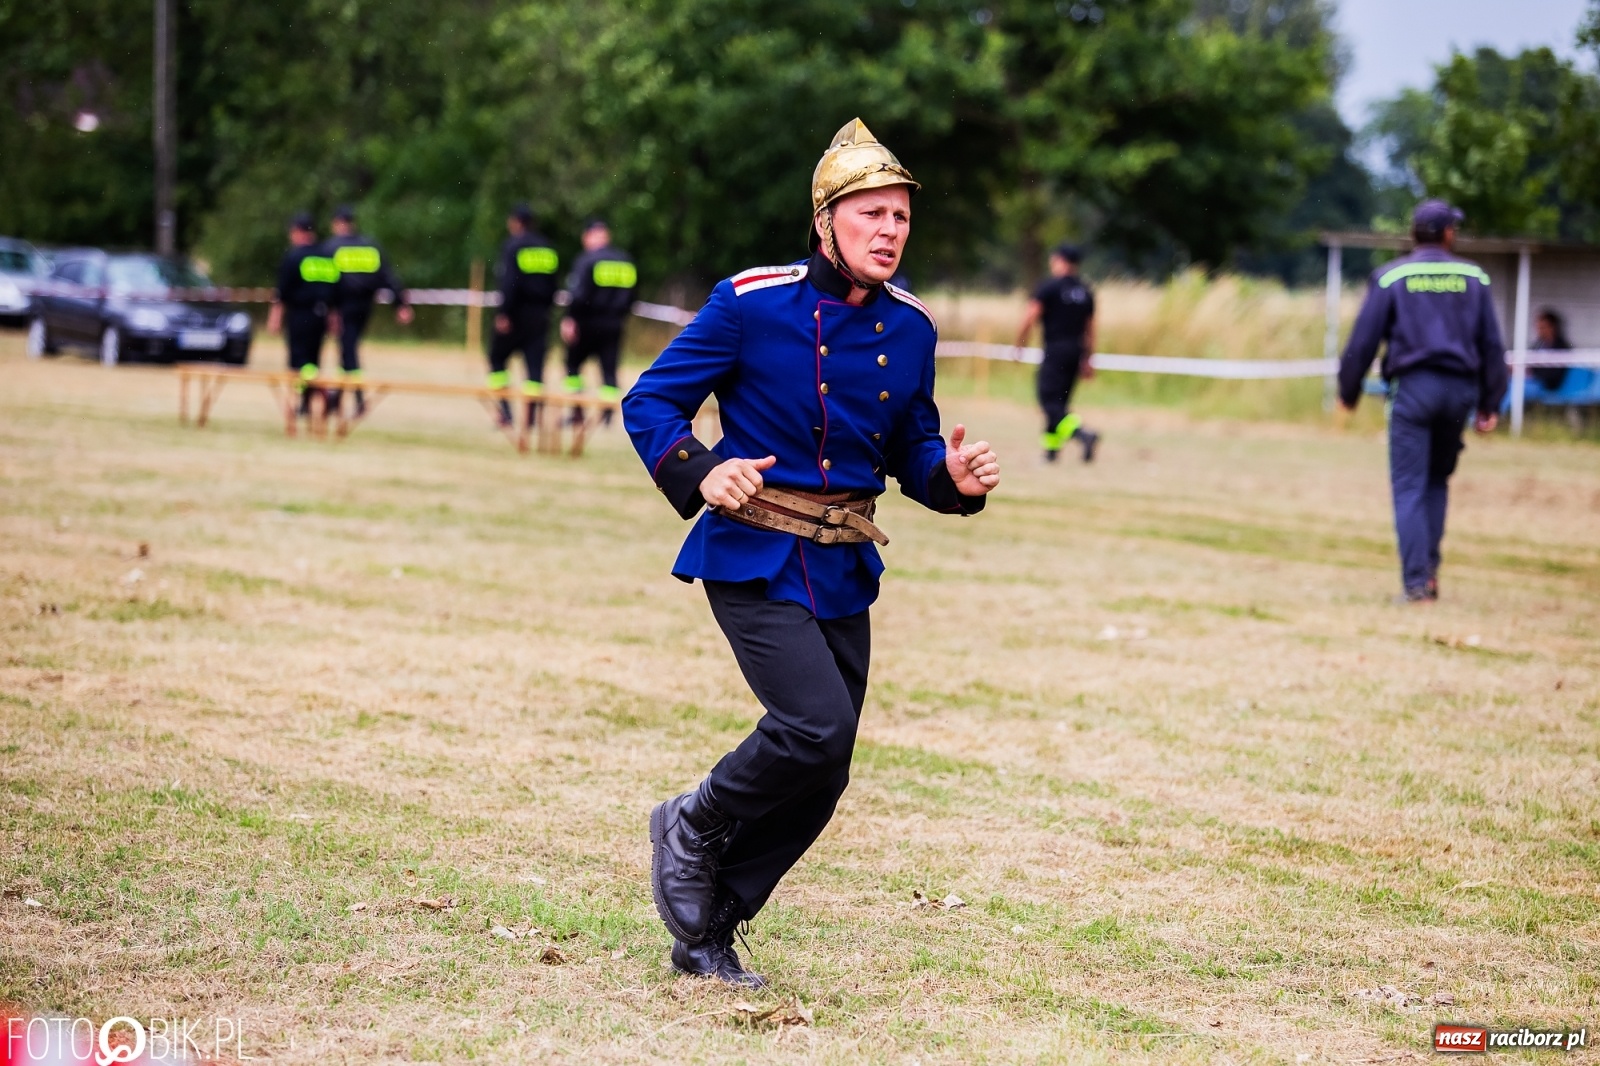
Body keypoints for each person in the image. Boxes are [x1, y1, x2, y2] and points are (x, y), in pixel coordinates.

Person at [622, 118, 1001, 987]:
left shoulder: (912, 329)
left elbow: (912, 449)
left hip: (842, 564)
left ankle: (710, 932)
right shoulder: (750, 303)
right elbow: (650, 401)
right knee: (814, 728)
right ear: (826, 222)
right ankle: (689, 820)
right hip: (750, 552)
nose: (890, 230)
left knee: (825, 769)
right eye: (871, 213)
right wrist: (703, 470)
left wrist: (952, 477)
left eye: (901, 216)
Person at [1338, 199, 1507, 603]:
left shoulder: (1392, 276)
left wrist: (1349, 390)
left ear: (1414, 233)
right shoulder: (1474, 277)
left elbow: (1364, 339)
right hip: (1459, 392)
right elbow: (1491, 344)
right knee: (1435, 482)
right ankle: (1429, 573)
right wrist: (1490, 403)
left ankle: (1415, 584)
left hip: (1413, 390)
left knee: (1409, 485)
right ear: (1447, 233)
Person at [322, 205, 412, 418]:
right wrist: (400, 305)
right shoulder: (370, 247)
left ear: (336, 223)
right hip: (365, 307)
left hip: (343, 307)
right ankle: (336, 398)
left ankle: (359, 398)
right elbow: (388, 277)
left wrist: (329, 311)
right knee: (347, 348)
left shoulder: (331, 248)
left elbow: (327, 284)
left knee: (348, 350)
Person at [1014, 244, 1100, 462]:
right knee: (1060, 403)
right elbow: (1090, 329)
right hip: (1076, 352)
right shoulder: (1085, 291)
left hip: (1055, 351)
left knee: (1049, 402)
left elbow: (1030, 316)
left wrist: (1020, 343)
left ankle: (1083, 434)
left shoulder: (1049, 287)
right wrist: (1088, 359)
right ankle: (1051, 453)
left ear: (1059, 260)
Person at [488, 203, 560, 431]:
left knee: (497, 357)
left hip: (516, 315)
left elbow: (510, 283)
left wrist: (504, 314)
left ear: (516, 222)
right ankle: (531, 420)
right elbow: (554, 285)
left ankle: (505, 412)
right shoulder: (547, 248)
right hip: (540, 316)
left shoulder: (513, 246)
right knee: (535, 370)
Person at [266, 213, 340, 425]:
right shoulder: (327, 256)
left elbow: (282, 292)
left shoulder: (294, 257)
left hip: (300, 315)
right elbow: (334, 291)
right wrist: (334, 318)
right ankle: (306, 404)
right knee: (314, 359)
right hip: (321, 315)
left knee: (298, 362)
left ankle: (320, 392)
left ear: (298, 232)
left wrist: (275, 318)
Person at [561, 218, 637, 421]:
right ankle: (606, 416)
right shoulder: (625, 261)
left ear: (589, 236)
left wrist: (570, 319)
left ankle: (577, 411)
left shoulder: (587, 260)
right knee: (609, 371)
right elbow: (632, 296)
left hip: (587, 323)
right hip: (614, 324)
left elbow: (578, 295)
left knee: (573, 365)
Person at [1531, 308, 1572, 392]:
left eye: (1543, 327)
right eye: (1538, 327)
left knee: (1516, 388)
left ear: (1552, 327)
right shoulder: (1538, 345)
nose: (1539, 331)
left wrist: (1533, 374)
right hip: (1535, 381)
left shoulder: (1561, 347)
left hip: (1549, 385)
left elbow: (1556, 373)